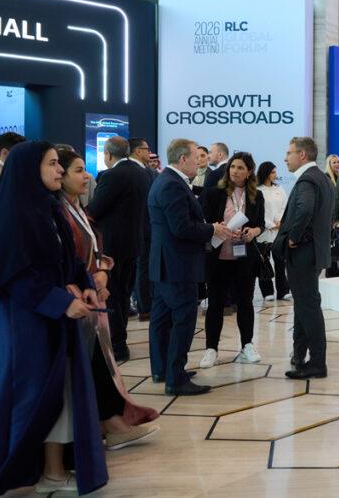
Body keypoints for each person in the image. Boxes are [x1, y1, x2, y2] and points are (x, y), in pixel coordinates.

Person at [0, 141, 106, 496]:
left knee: (51, 393)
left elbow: (67, 257)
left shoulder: (48, 208)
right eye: (52, 164)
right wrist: (61, 302)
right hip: (20, 322)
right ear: (31, 169)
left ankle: (42, 470)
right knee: (22, 398)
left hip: (44, 317)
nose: (59, 170)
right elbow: (15, 274)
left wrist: (85, 283)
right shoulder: (16, 214)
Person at [55, 148, 160, 450]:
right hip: (75, 303)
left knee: (98, 363)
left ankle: (108, 422)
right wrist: (92, 277)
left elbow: (91, 246)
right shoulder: (60, 212)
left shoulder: (76, 209)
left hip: (89, 299)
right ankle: (110, 424)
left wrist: (101, 270)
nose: (86, 175)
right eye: (77, 170)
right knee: (93, 365)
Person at [148, 139, 233, 396]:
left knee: (161, 319)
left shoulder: (167, 181)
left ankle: (163, 369)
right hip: (177, 265)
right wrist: (212, 229)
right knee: (183, 319)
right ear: (183, 159)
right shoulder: (172, 185)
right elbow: (182, 228)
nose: (200, 161)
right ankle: (176, 378)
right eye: (196, 157)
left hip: (167, 263)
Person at [274, 137, 334, 380]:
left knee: (308, 308)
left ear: (302, 155)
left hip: (303, 253)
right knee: (304, 306)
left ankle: (317, 363)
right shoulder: (323, 179)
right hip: (313, 252)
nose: (285, 158)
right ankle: (299, 356)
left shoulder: (308, 179)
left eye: (289, 153)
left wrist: (292, 238)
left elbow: (305, 210)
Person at [199, 152, 266, 368]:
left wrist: (252, 231)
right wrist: (218, 228)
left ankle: (247, 345)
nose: (235, 171)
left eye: (240, 168)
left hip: (243, 258)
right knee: (216, 303)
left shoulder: (256, 196)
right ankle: (211, 349)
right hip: (218, 257)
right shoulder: (213, 194)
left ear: (249, 172)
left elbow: (260, 224)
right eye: (232, 167)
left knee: (245, 303)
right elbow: (205, 222)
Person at [88, 136, 150, 363]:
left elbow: (95, 209)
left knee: (113, 297)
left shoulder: (113, 175)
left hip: (112, 248)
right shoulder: (143, 173)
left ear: (108, 154)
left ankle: (116, 345)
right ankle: (120, 343)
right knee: (123, 296)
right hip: (133, 244)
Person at [129, 138, 156, 324]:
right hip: (147, 229)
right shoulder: (148, 173)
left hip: (134, 230)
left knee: (140, 269)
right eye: (147, 149)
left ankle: (143, 306)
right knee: (143, 269)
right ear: (138, 151)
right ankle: (145, 307)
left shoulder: (115, 172)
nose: (149, 153)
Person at [256, 161, 289, 301]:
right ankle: (267, 291)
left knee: (280, 262)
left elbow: (284, 206)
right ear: (266, 173)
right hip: (263, 231)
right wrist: (269, 224)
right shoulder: (258, 190)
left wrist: (281, 221)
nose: (275, 175)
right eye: (273, 172)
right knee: (264, 261)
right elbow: (258, 211)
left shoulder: (279, 189)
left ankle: (283, 290)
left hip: (278, 232)